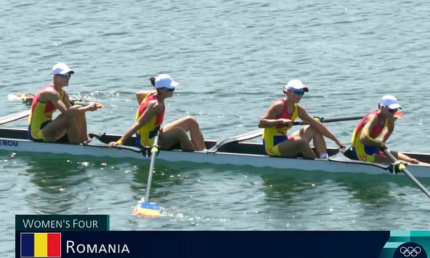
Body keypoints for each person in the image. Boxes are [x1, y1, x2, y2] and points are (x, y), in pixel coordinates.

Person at [109, 74, 206, 152]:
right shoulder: (156, 106)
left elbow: (138, 94)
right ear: (160, 90)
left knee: (190, 120)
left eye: (173, 88)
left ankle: (203, 151)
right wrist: (121, 141)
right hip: (148, 143)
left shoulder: (150, 94)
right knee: (179, 132)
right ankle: (197, 156)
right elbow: (138, 124)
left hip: (155, 134)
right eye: (170, 89)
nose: (173, 91)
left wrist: (149, 118)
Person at [258, 79, 345, 159]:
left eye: (302, 92)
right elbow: (261, 123)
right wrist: (280, 121)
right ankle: (317, 163)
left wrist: (336, 141)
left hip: (284, 139)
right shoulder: (278, 106)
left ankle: (324, 157)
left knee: (314, 128)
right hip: (272, 147)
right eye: (297, 91)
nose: (300, 95)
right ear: (288, 91)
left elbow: (316, 124)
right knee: (301, 141)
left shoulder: (298, 109)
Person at [28, 63, 101, 144]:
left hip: (47, 127)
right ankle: (76, 146)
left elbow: (73, 111)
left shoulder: (63, 93)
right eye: (64, 75)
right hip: (37, 134)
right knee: (68, 118)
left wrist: (86, 106)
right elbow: (67, 113)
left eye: (69, 75)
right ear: (55, 77)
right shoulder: (50, 92)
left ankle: (84, 139)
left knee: (77, 107)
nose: (67, 78)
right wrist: (88, 108)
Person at [349, 95, 426, 165]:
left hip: (372, 146)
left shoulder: (388, 117)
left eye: (396, 109)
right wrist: (379, 144)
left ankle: (416, 163)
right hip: (359, 150)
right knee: (399, 163)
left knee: (412, 161)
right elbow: (363, 138)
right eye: (392, 110)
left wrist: (382, 142)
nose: (394, 112)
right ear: (382, 108)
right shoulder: (373, 118)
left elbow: (389, 129)